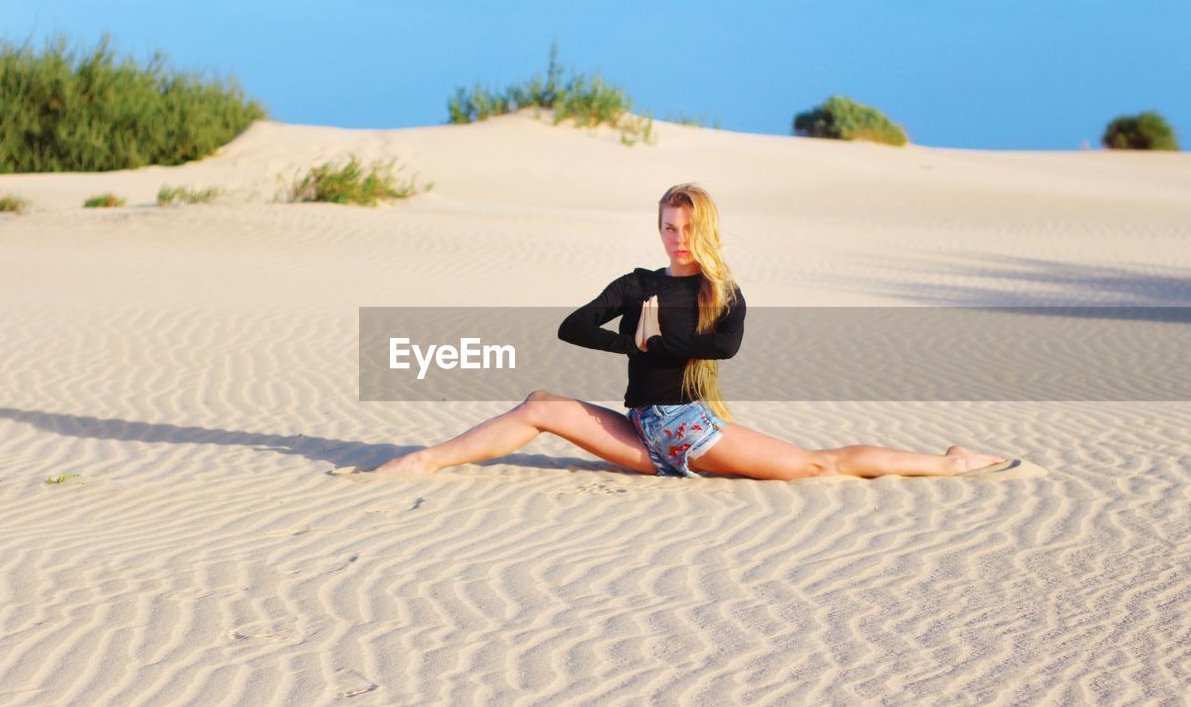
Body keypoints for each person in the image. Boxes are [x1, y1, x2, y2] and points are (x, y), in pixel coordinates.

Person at [373, 183, 1007, 479]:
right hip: (646, 430)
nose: (675, 239)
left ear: (703, 229)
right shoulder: (638, 283)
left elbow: (723, 347)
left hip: (687, 428)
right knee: (539, 403)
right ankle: (422, 462)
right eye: (667, 227)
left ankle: (949, 465)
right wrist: (631, 341)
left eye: (684, 228)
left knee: (822, 465)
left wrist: (656, 343)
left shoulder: (719, 292)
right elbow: (573, 326)